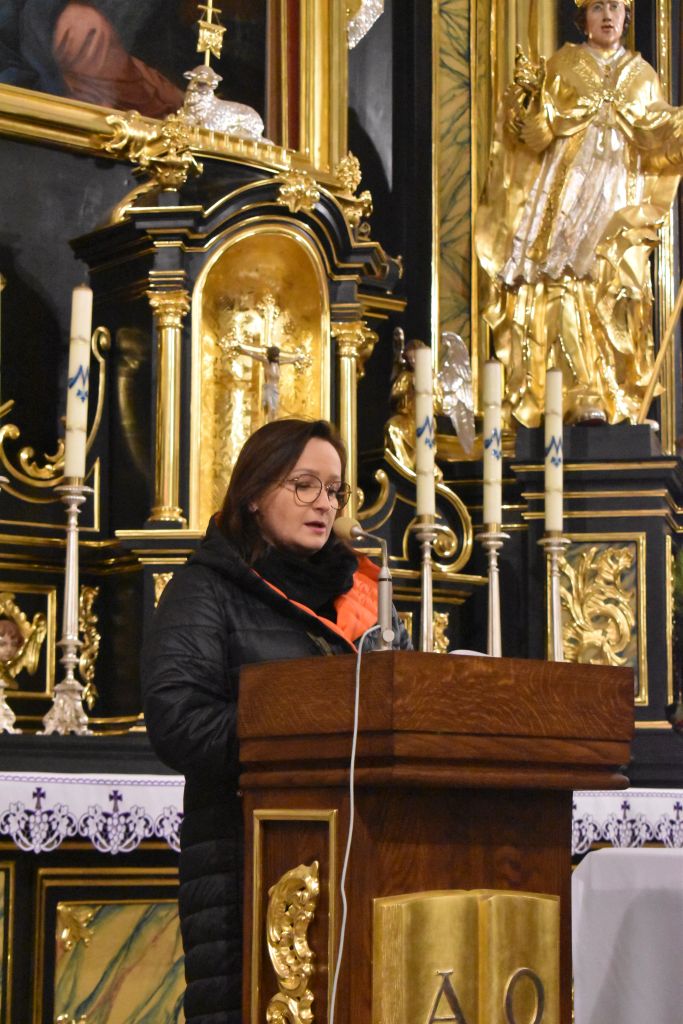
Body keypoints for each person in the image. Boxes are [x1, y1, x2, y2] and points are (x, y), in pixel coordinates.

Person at [142, 418, 411, 1024]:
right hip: (246, 865)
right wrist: (302, 726)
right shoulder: (204, 590)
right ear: (255, 494)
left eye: (335, 490)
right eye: (305, 485)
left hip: (366, 854)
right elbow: (178, 721)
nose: (325, 504)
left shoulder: (365, 595)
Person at [475, 0, 683, 427]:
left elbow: (660, 130)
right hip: (568, 192)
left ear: (626, 16)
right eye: (597, 7)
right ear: (583, 18)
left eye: (615, 7)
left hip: (618, 194)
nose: (607, 16)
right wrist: (529, 114)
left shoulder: (643, 75)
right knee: (564, 280)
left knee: (618, 285)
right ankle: (575, 389)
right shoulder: (563, 64)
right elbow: (534, 132)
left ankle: (616, 394)